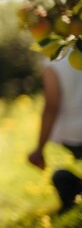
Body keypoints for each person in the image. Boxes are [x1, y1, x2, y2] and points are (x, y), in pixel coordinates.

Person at [28, 51, 82, 214]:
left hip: (75, 134)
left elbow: (52, 105)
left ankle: (68, 185)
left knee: (60, 177)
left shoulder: (55, 58)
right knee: (60, 176)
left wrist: (39, 149)